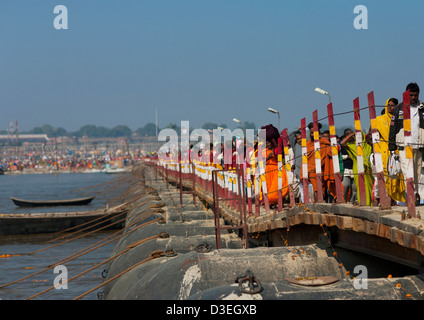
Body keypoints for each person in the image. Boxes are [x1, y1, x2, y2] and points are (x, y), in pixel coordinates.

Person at [388, 82, 424, 205]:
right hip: (403, 146)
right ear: (407, 94)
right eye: (411, 95)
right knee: (406, 172)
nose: (414, 97)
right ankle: (410, 197)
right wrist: (391, 146)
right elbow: (393, 127)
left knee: (417, 172)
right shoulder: (399, 108)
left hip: (419, 146)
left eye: (416, 95)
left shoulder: (422, 107)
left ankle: (416, 195)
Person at [375, 98, 405, 204]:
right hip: (384, 150)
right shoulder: (379, 120)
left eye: (392, 105)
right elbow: (372, 136)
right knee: (387, 176)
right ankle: (387, 199)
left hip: (398, 149)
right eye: (388, 105)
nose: (390, 107)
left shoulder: (400, 118)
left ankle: (394, 201)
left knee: (398, 175)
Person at [300, 122, 335, 203]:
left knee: (323, 188)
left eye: (315, 133)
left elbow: (330, 153)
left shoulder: (325, 142)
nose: (313, 135)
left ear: (319, 132)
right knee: (316, 187)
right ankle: (319, 202)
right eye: (312, 133)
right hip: (312, 171)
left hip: (323, 169)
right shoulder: (307, 145)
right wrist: (302, 174)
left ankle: (322, 203)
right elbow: (304, 160)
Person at [340, 129, 374, 206]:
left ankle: (369, 204)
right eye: (357, 137)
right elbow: (342, 143)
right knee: (360, 187)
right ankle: (362, 203)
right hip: (357, 170)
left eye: (361, 136)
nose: (359, 138)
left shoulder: (368, 146)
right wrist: (351, 135)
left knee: (369, 188)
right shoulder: (352, 146)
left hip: (368, 171)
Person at [340, 129, 357, 203]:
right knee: (345, 186)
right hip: (346, 168)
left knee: (354, 188)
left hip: (354, 168)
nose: (352, 137)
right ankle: (343, 201)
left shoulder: (355, 144)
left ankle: (352, 202)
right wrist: (347, 156)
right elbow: (339, 157)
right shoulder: (343, 146)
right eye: (351, 135)